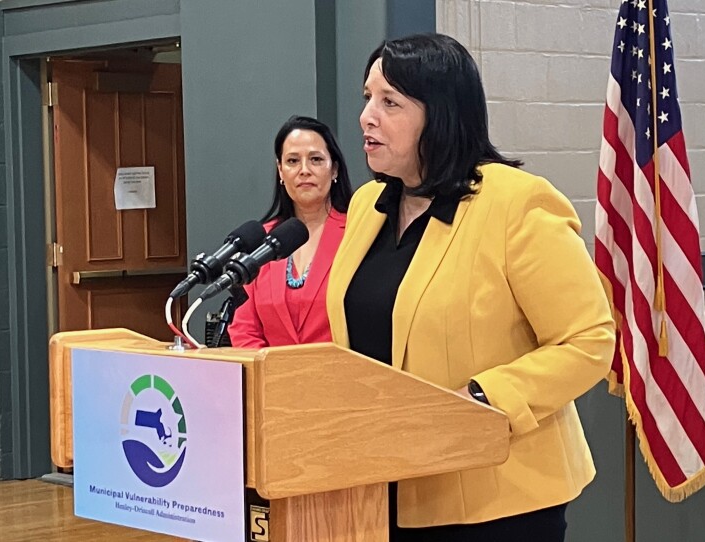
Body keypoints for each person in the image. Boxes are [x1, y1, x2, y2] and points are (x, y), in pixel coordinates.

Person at [325, 33, 615, 541]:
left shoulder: (517, 203)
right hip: (379, 487)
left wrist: (480, 400)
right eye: (366, 97)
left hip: (498, 499)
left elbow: (588, 340)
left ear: (439, 113)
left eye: (389, 102)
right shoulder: (367, 205)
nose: (367, 116)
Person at [229, 115, 353, 348]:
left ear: (334, 169)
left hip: (344, 377)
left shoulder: (358, 232)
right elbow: (244, 329)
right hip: (273, 378)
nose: (304, 170)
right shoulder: (260, 241)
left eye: (316, 159)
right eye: (293, 161)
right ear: (280, 171)